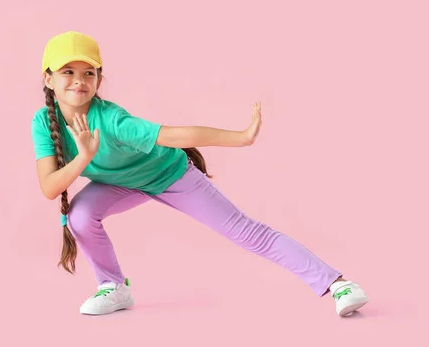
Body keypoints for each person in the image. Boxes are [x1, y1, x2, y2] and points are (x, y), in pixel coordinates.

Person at [31, 31, 369, 317]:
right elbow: (49, 187)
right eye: (67, 72)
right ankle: (114, 287)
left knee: (249, 233)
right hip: (118, 184)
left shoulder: (112, 120)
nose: (79, 80)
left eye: (89, 72)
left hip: (170, 175)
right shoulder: (43, 123)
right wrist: (84, 158)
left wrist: (241, 137)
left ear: (99, 80)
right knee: (79, 215)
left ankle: (337, 284)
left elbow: (177, 136)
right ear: (48, 78)